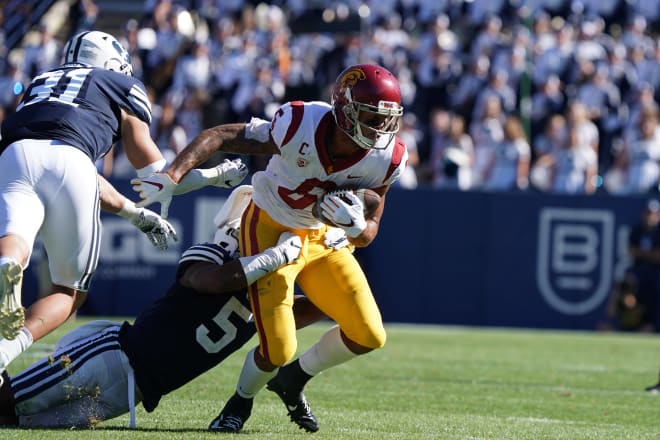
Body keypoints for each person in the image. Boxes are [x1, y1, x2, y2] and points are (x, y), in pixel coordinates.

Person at [131, 63, 407, 433]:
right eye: (371, 117)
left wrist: (356, 225)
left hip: (323, 238)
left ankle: (292, 379)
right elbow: (222, 134)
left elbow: (369, 229)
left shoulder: (387, 157)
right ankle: (239, 403)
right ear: (344, 110)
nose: (381, 129)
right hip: (270, 227)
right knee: (277, 349)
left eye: (387, 120)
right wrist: (173, 174)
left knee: (369, 334)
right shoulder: (300, 124)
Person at [0, 30, 248, 377]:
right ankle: (3, 351)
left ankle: (9, 263)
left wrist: (134, 213)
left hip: (14, 155)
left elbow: (62, 160)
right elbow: (158, 178)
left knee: (16, 243)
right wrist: (214, 175)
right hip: (74, 161)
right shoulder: (118, 84)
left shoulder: (41, 81)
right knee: (68, 291)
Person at [0, 186, 328, 428]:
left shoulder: (268, 297)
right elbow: (213, 281)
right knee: (7, 401)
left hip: (133, 394)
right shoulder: (211, 254)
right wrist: (275, 257)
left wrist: (325, 255)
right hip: (112, 357)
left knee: (19, 420)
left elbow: (316, 308)